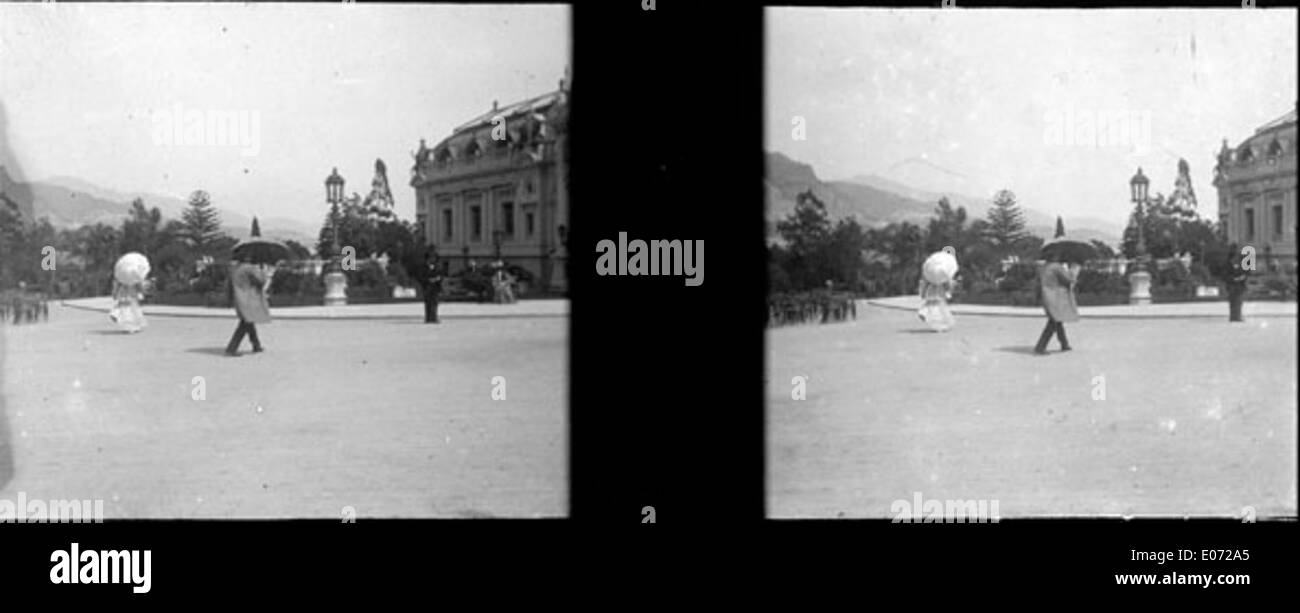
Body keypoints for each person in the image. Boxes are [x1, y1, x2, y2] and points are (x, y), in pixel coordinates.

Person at [225, 255, 273, 356]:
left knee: (248, 322)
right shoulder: (249, 269)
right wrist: (264, 273)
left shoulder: (236, 270)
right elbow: (261, 281)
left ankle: (256, 345)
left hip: (239, 297)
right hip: (248, 298)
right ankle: (231, 348)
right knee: (245, 324)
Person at [1034, 254, 1079, 354]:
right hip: (1056, 297)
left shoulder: (1045, 267)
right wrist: (1073, 269)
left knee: (1057, 320)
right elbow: (1069, 280)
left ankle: (1064, 344)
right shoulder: (1056, 267)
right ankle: (1040, 347)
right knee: (1053, 322)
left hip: (1047, 295)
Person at [1225, 243, 1248, 322]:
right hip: (1234, 284)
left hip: (1236, 285)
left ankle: (1235, 316)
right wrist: (1237, 279)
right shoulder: (1230, 262)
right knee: (1236, 301)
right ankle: (1235, 317)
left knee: (1236, 301)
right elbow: (1227, 274)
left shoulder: (1237, 260)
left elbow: (1245, 272)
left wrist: (1242, 277)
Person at [423, 251, 444, 323]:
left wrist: (438, 279)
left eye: (433, 258)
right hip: (428, 286)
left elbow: (441, 275)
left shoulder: (438, 266)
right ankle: (428, 317)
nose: (432, 259)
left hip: (435, 286)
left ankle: (434, 317)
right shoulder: (425, 266)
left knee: (435, 303)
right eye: (430, 258)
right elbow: (422, 276)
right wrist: (428, 280)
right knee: (428, 302)